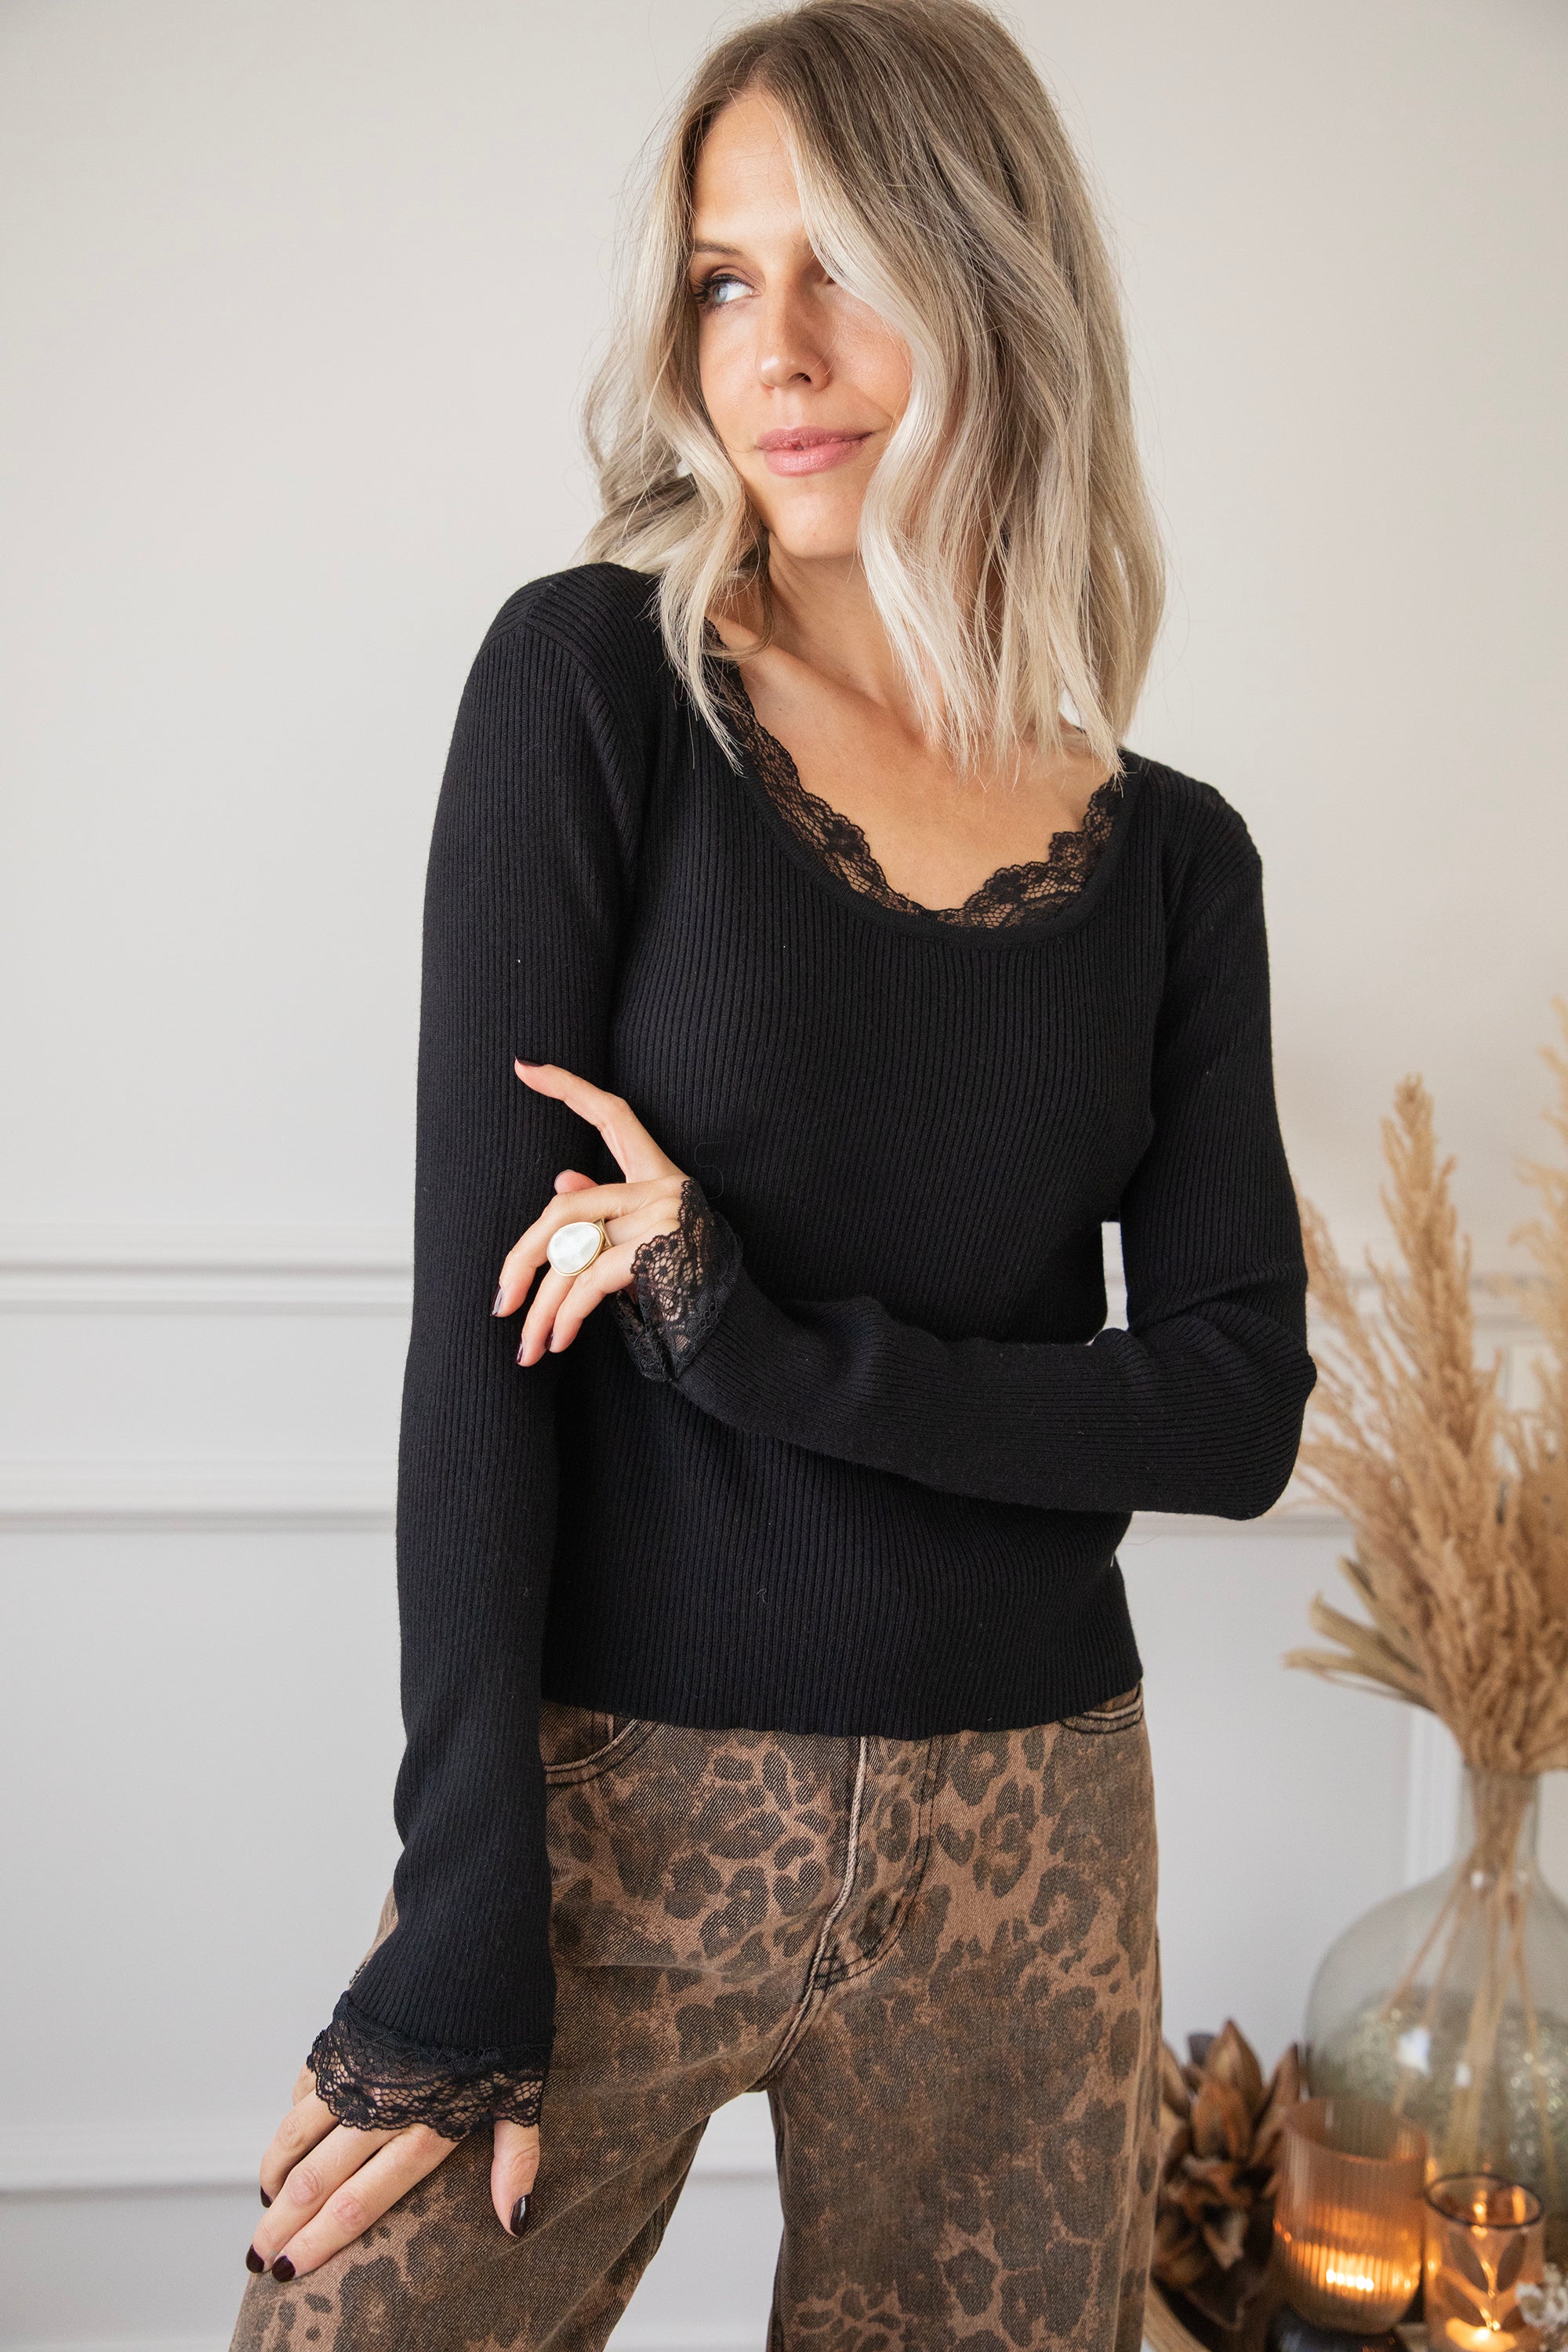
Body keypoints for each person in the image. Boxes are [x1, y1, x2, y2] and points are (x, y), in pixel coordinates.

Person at [234, 1, 1316, 2343]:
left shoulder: (1173, 864)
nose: (777, 353)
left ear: (999, 286)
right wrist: (462, 1903)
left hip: (1036, 1838)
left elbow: (1237, 1411)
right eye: (726, 279)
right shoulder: (593, 691)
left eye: (849, 268)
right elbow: (477, 1347)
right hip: (622, 1819)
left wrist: (758, 1338)